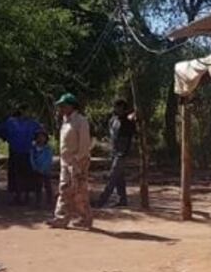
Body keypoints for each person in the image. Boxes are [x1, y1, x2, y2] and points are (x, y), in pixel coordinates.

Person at [48, 94, 92, 229]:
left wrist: (78, 160)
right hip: (65, 161)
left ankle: (84, 218)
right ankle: (61, 218)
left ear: (72, 106)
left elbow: (84, 143)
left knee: (79, 192)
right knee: (64, 189)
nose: (61, 108)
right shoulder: (65, 122)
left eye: (63, 105)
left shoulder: (80, 121)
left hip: (78, 162)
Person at [97, 99, 137, 208]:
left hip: (122, 154)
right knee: (119, 178)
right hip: (114, 152)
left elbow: (132, 136)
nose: (117, 109)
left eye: (119, 107)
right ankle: (122, 199)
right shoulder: (113, 120)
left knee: (113, 177)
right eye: (116, 107)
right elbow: (112, 136)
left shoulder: (128, 123)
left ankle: (101, 201)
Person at [1, 109, 41, 205]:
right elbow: (2, 132)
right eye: (26, 111)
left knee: (27, 174)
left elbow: (40, 133)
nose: (28, 113)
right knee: (16, 175)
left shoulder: (32, 123)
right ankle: (17, 196)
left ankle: (26, 196)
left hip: (28, 152)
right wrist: (9, 139)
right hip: (15, 152)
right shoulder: (11, 122)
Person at [30, 129, 54, 208]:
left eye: (42, 137)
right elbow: (31, 159)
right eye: (39, 137)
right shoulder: (33, 148)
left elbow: (49, 159)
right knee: (38, 187)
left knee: (48, 186)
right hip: (37, 170)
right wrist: (35, 167)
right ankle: (38, 202)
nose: (40, 138)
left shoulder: (48, 148)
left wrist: (44, 168)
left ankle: (49, 202)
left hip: (46, 170)